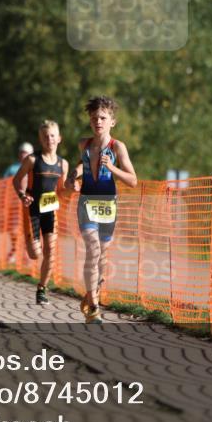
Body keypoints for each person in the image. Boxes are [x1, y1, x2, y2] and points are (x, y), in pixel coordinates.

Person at [68, 96, 138, 324]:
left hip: (108, 204)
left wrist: (112, 168)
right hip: (87, 202)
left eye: (103, 118)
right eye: (94, 118)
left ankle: (91, 295)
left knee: (102, 256)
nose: (98, 121)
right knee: (93, 249)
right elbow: (83, 165)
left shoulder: (117, 147)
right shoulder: (84, 145)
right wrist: (73, 175)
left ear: (112, 122)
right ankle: (94, 309)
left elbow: (133, 180)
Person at [12, 123, 68, 305]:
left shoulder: (63, 164)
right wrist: (22, 195)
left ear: (59, 138)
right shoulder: (32, 160)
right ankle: (29, 239)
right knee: (35, 254)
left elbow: (62, 190)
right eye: (45, 136)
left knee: (50, 251)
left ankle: (42, 289)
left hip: (50, 210)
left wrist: (72, 189)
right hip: (33, 209)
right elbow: (17, 179)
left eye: (52, 136)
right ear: (40, 139)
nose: (49, 139)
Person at [4, 142, 34, 265]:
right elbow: (4, 185)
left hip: (29, 204)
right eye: (22, 152)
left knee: (28, 230)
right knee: (13, 230)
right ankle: (15, 250)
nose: (23, 154)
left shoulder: (34, 168)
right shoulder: (12, 169)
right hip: (14, 204)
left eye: (26, 152)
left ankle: (27, 254)